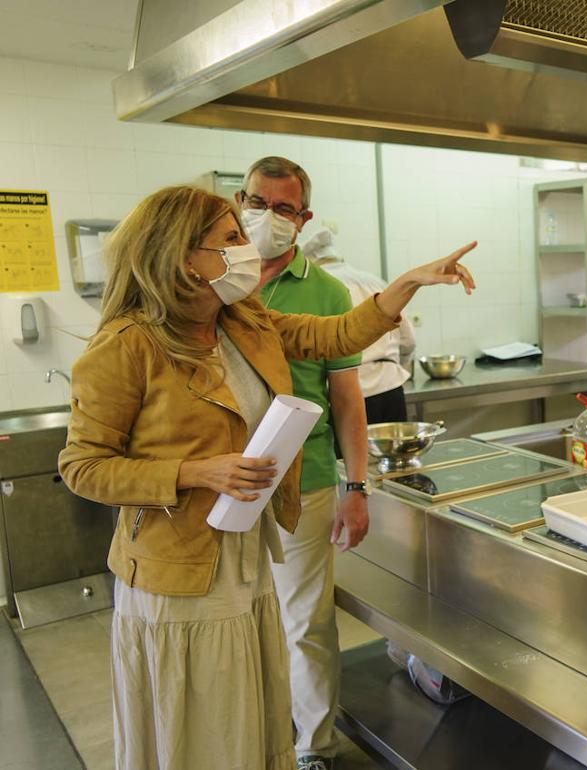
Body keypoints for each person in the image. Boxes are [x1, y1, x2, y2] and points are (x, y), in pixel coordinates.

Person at [58, 185, 475, 770]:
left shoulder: (241, 319)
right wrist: (196, 471)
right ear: (185, 258)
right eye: (230, 239)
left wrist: (405, 285)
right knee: (201, 724)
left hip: (246, 547)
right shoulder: (126, 347)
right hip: (178, 568)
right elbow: (83, 467)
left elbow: (332, 337)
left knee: (246, 712)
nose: (246, 247)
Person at [237, 155, 368, 769]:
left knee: (305, 626)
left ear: (303, 217)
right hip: (226, 484)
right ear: (240, 200)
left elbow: (346, 400)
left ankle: (313, 750)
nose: (266, 218)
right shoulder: (216, 280)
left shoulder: (327, 292)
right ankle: (253, 742)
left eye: (282, 208)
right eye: (256, 203)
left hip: (305, 484)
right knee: (236, 627)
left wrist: (357, 486)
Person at [304, 224, 416, 424]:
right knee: (394, 454)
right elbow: (408, 341)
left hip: (344, 393)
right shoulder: (375, 281)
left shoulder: (313, 288)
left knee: (348, 456)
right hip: (389, 388)